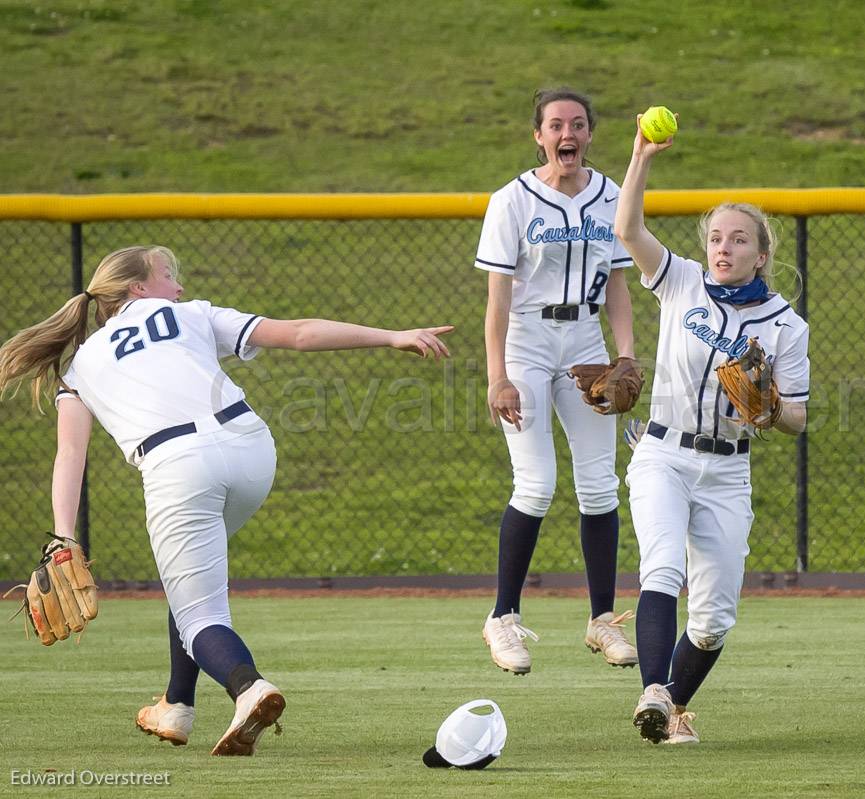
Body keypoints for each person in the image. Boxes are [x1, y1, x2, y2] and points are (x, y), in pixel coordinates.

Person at [0, 245, 453, 756]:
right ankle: (176, 705)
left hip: (179, 468)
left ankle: (249, 688)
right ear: (138, 288)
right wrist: (392, 336)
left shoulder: (80, 364)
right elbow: (299, 333)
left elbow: (70, 455)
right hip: (251, 449)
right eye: (169, 276)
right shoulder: (190, 315)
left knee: (199, 615)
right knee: (190, 577)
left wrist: (64, 537)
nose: (179, 287)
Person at [613, 115, 810, 744]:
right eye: (716, 237)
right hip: (663, 453)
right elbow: (627, 229)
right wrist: (642, 156)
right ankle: (653, 691)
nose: (723, 247)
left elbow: (799, 418)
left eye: (738, 239)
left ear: (761, 253)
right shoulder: (682, 281)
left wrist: (771, 406)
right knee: (662, 568)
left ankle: (670, 705)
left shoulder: (786, 326)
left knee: (714, 621)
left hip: (727, 469)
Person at [474, 88, 639, 675]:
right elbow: (496, 302)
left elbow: (619, 283)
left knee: (600, 485)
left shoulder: (610, 195)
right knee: (537, 481)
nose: (566, 134)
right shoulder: (511, 201)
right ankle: (503, 618)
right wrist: (498, 377)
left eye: (577, 124)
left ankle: (602, 622)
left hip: (586, 341)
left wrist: (626, 355)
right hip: (527, 340)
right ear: (538, 136)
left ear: (590, 133)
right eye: (554, 125)